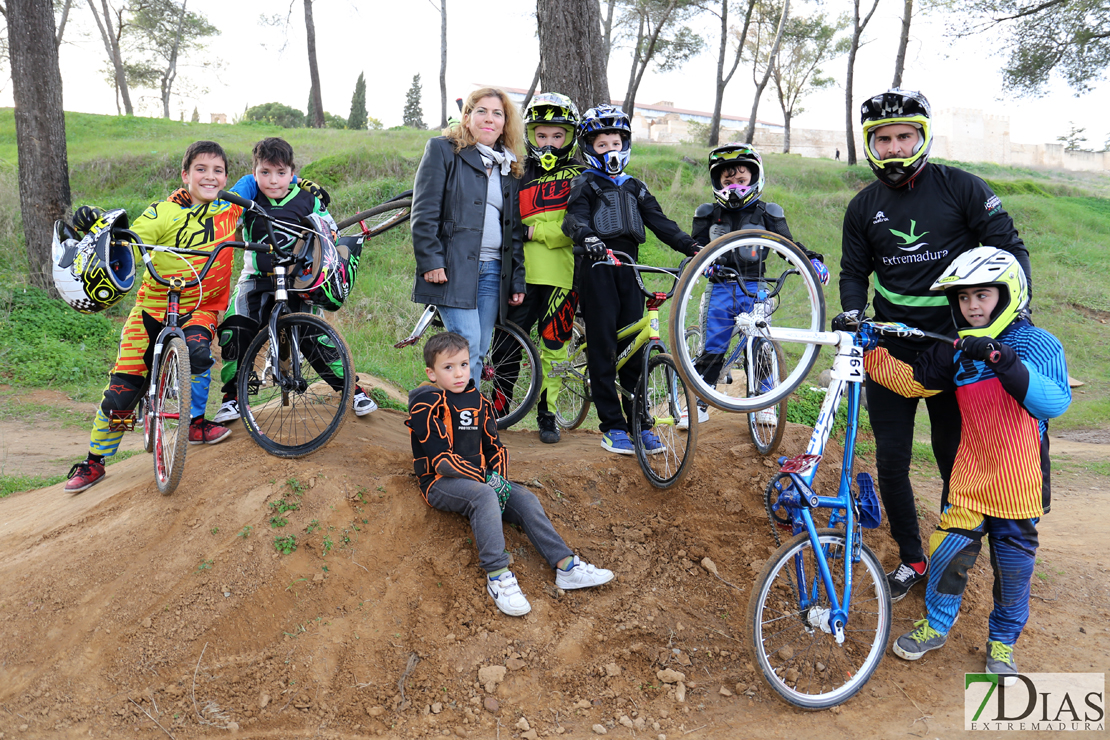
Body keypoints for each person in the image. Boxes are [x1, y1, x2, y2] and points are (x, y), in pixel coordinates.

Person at [833, 88, 1033, 601]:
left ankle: (949, 565)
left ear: (922, 136)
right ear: (870, 143)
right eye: (884, 138)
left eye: (905, 136)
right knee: (891, 461)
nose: (896, 146)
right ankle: (912, 559)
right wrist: (854, 313)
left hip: (956, 348)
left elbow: (1009, 249)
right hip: (890, 349)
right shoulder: (863, 206)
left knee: (953, 461)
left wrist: (1008, 319)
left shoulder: (962, 187)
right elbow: (854, 273)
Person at [861, 247, 1069, 680]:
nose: (972, 306)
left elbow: (1054, 402)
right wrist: (868, 349)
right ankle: (936, 625)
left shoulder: (1038, 343)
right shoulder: (956, 352)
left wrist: (1000, 358)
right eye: (963, 298)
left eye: (982, 296)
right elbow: (912, 381)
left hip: (1020, 483)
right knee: (947, 552)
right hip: (971, 477)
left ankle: (1003, 643)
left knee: (1012, 571)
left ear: (1007, 293)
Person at [62, 141, 242, 492]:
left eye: (217, 170)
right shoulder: (162, 212)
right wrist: (97, 222)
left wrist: (305, 190)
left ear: (225, 177)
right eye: (201, 169)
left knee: (200, 354)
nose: (210, 176)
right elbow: (126, 240)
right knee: (120, 395)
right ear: (185, 174)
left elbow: (268, 183)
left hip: (200, 308)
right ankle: (94, 462)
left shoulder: (232, 209)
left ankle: (194, 422)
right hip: (151, 310)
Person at [406, 332, 615, 616]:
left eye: (464, 365)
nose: (459, 373)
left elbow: (495, 448)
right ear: (431, 373)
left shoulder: (478, 401)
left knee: (525, 499)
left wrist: (500, 480)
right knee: (483, 495)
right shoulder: (426, 402)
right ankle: (498, 576)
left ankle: (566, 566)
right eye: (448, 367)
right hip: (440, 482)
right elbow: (441, 461)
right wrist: (488, 480)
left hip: (479, 479)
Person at [562, 104, 700, 456]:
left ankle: (640, 423)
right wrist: (588, 238)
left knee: (635, 349)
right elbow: (573, 219)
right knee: (604, 345)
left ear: (626, 146)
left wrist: (694, 247)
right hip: (597, 269)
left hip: (629, 270)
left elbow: (662, 223)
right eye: (601, 144)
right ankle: (612, 426)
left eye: (616, 143)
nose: (610, 150)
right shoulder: (585, 182)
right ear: (589, 148)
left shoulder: (635, 187)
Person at [212, 137, 377, 425]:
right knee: (236, 327)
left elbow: (331, 236)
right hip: (256, 278)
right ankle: (233, 397)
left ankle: (352, 390)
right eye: (265, 172)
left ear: (292, 173)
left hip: (298, 281)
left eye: (280, 173)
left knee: (315, 336)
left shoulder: (308, 199)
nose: (273, 181)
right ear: (254, 173)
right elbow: (219, 220)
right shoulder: (248, 199)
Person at [686, 143, 828, 427]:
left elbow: (787, 246)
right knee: (714, 346)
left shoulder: (767, 212)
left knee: (761, 344)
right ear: (716, 182)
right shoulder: (706, 213)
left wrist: (811, 260)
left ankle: (765, 401)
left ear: (755, 177)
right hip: (720, 287)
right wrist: (701, 262)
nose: (735, 186)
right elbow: (694, 248)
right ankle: (698, 402)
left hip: (757, 288)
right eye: (727, 181)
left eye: (741, 180)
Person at [410, 87, 526, 387]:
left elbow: (513, 229)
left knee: (479, 347)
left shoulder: (507, 165)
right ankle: (464, 421)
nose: (490, 119)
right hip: (453, 269)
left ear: (505, 122)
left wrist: (516, 279)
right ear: (467, 116)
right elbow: (424, 212)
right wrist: (430, 261)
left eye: (497, 114)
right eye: (482, 111)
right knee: (468, 345)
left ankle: (458, 413)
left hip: (492, 272)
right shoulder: (443, 150)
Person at [504, 92, 584, 444]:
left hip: (563, 278)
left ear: (569, 137)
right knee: (506, 345)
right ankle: (496, 409)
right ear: (530, 134)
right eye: (541, 135)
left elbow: (576, 225)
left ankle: (547, 414)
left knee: (555, 347)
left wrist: (534, 230)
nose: (548, 143)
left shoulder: (581, 175)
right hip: (520, 275)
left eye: (557, 136)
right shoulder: (516, 171)